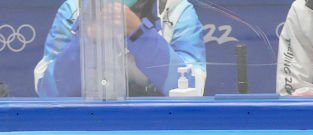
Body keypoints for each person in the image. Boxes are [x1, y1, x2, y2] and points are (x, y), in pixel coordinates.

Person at [34, 0, 206, 98]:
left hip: (156, 128)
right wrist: (87, 41)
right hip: (87, 129)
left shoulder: (176, 10)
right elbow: (48, 92)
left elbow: (194, 89)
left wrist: (139, 34)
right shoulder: (74, 9)